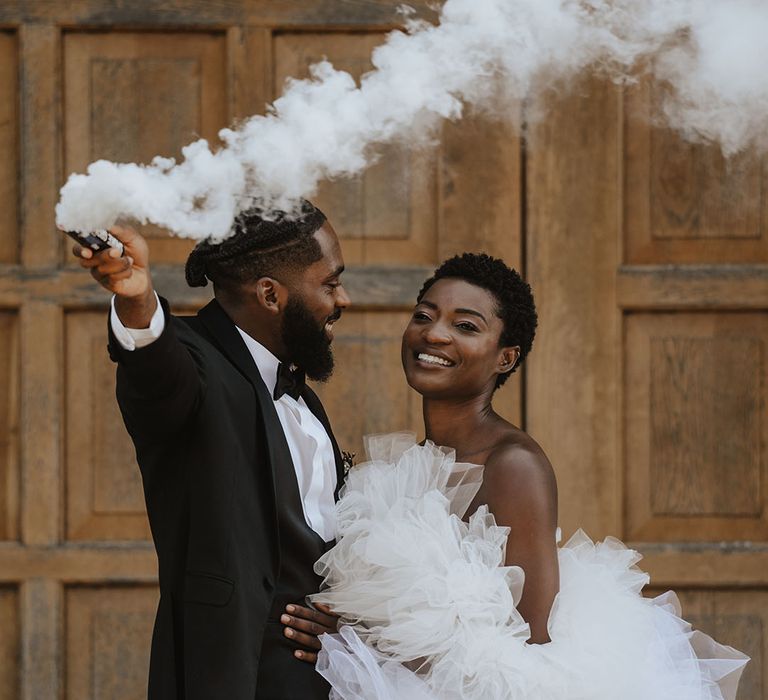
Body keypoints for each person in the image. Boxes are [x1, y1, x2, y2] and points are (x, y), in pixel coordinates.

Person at [311, 253, 749, 700]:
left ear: (506, 357)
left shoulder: (512, 464)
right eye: (424, 315)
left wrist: (359, 637)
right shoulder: (413, 463)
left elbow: (529, 649)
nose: (434, 333)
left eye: (466, 326)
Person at [73, 202, 349, 699]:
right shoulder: (196, 361)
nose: (343, 299)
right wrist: (137, 300)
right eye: (330, 283)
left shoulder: (302, 398)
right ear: (270, 294)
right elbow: (159, 373)